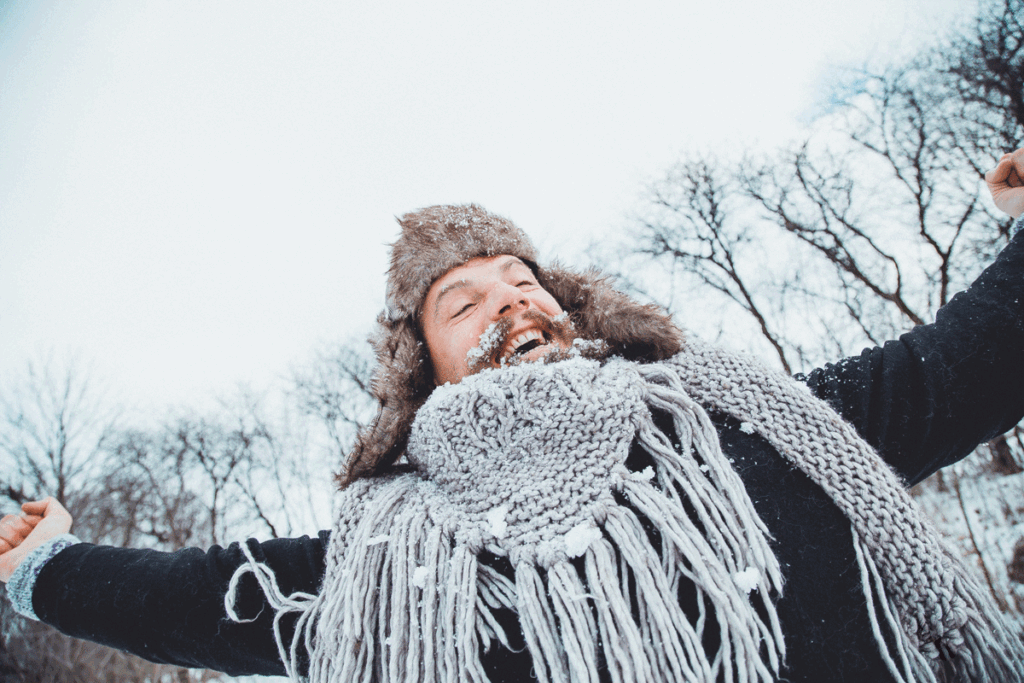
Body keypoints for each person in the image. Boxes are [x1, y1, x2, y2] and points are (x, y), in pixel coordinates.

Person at [4, 152, 1024, 683]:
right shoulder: (388, 566)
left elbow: (961, 366)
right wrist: (49, 564)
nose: (511, 301)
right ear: (426, 370)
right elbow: (207, 597)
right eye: (464, 300)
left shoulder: (754, 425)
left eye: (523, 280)